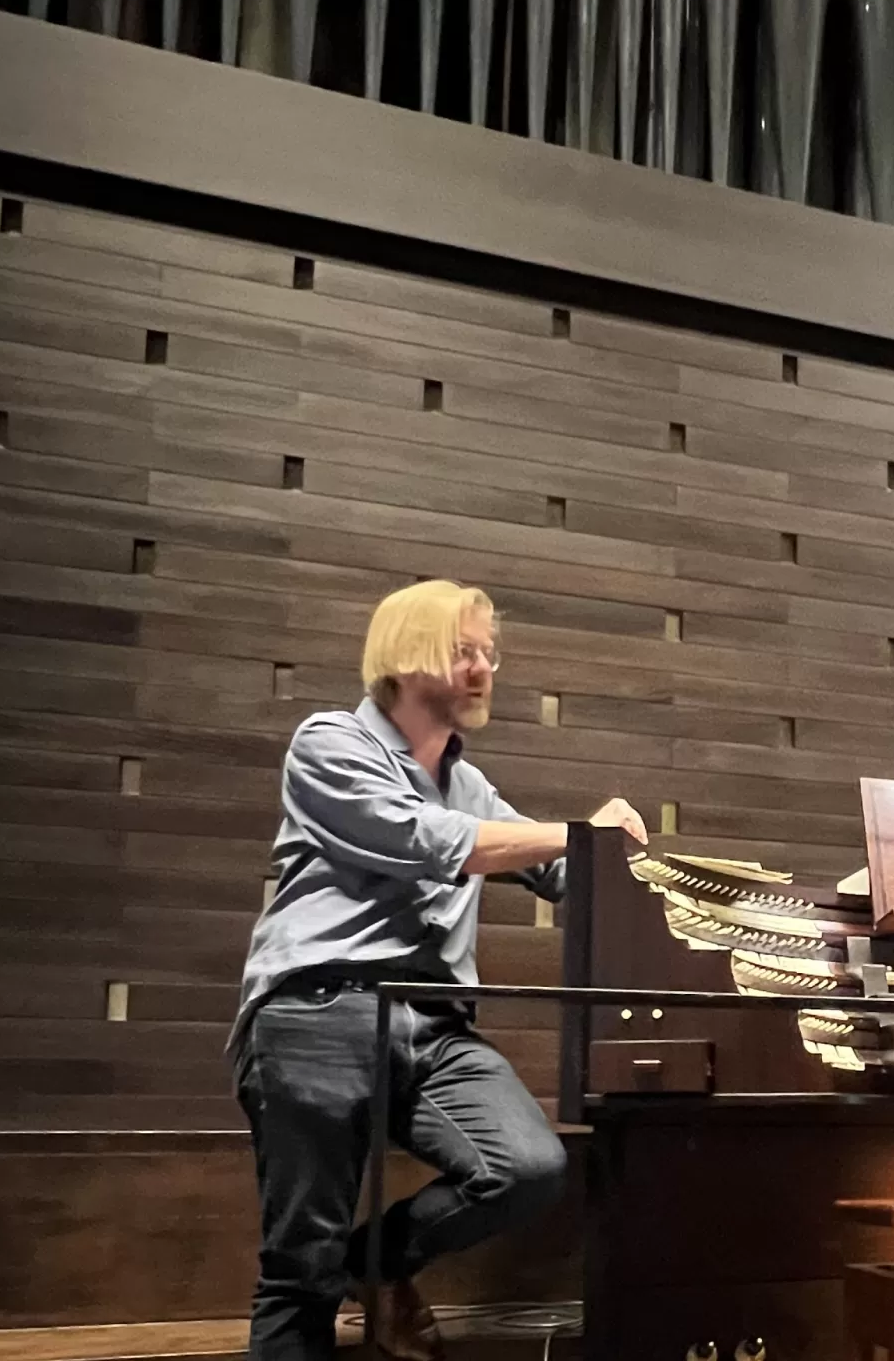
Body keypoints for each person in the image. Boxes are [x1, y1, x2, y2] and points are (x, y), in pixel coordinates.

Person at [229, 580, 648, 1361]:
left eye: (490, 653)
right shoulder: (328, 743)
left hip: (432, 1024)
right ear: (403, 652)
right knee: (300, 1264)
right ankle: (331, 1277)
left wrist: (624, 852)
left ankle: (375, 1265)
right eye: (466, 650)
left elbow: (560, 866)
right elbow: (429, 840)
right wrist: (574, 833)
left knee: (527, 1168)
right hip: (319, 1012)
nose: (486, 667)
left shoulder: (467, 780)